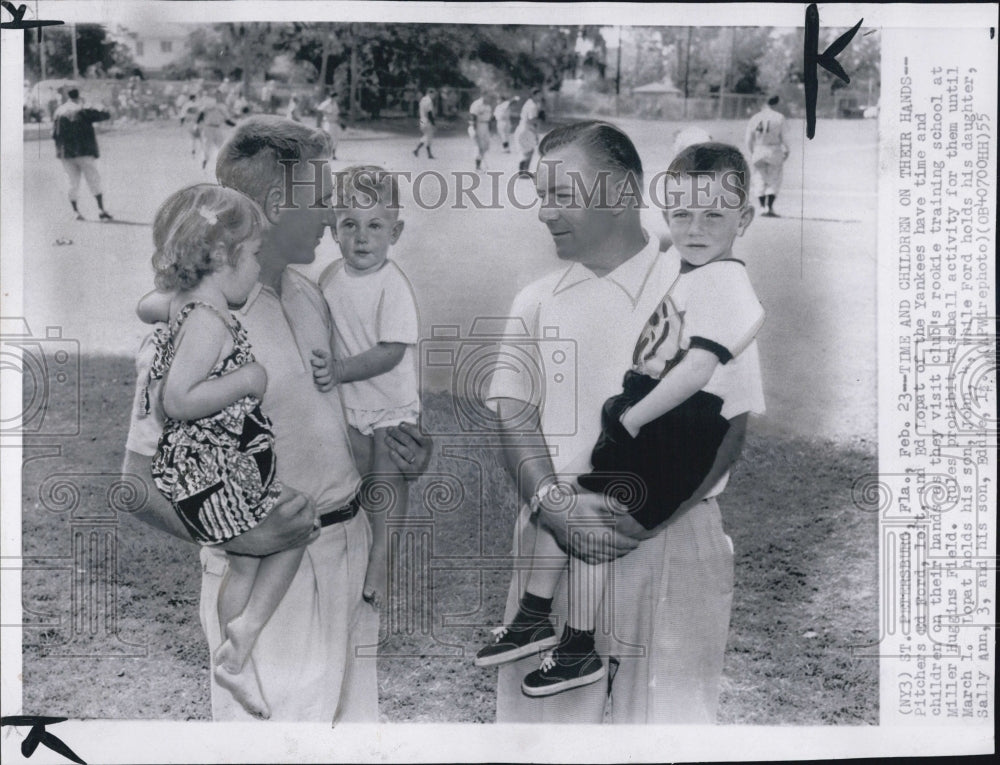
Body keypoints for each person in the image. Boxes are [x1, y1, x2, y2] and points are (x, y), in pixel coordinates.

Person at [122, 115, 431, 721]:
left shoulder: (311, 292)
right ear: (268, 206)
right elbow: (135, 485)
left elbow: (328, 432)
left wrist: (394, 459)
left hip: (348, 553)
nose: (329, 216)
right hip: (268, 574)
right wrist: (237, 535)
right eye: (319, 200)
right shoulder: (193, 323)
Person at [484, 121, 756, 723]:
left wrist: (653, 518)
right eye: (540, 194)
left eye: (563, 193)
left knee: (668, 738)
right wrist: (555, 508)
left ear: (626, 190)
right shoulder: (536, 298)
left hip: (669, 537)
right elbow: (513, 416)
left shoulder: (702, 278)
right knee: (538, 744)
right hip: (559, 537)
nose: (544, 211)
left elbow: (732, 425)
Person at [134, 184, 309, 720]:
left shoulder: (186, 304)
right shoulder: (210, 321)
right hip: (211, 469)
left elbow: (147, 305)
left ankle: (235, 658)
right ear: (219, 257)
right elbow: (179, 400)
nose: (258, 268)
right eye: (253, 255)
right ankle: (245, 635)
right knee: (298, 525)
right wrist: (248, 379)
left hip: (205, 465)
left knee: (244, 563)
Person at [310, 165, 420, 608]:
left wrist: (338, 370)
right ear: (334, 230)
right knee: (355, 481)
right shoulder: (330, 277)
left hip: (390, 404)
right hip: (349, 404)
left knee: (387, 478)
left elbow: (390, 351)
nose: (361, 237)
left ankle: (381, 558)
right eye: (349, 225)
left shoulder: (392, 285)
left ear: (396, 231)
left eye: (375, 226)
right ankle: (349, 552)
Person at [52, 87, 113, 221]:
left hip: (66, 153)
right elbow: (105, 115)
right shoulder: (82, 109)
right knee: (93, 180)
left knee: (72, 182)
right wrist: (98, 104)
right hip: (84, 151)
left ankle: (75, 211)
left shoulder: (59, 111)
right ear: (78, 96)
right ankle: (101, 210)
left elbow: (54, 134)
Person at [745, 95, 789, 217]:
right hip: (773, 149)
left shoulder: (755, 117)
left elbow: (748, 139)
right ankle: (769, 207)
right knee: (774, 179)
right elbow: (784, 138)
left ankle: (762, 207)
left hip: (759, 148)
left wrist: (752, 152)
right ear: (777, 104)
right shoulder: (779, 117)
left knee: (759, 178)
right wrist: (787, 150)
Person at [198, 90, 236, 171]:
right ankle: (204, 164)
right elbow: (201, 114)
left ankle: (224, 165)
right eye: (217, 95)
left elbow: (227, 120)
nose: (219, 96)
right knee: (207, 147)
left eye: (220, 95)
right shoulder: (209, 104)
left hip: (217, 128)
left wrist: (235, 125)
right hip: (208, 128)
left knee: (222, 146)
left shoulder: (221, 106)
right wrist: (198, 124)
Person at [513, 88, 542, 178]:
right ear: (533, 95)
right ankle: (523, 171)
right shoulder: (532, 105)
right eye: (538, 95)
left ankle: (524, 171)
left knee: (526, 150)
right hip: (527, 129)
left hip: (523, 128)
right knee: (528, 150)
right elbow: (532, 120)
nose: (540, 97)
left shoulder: (529, 103)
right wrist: (536, 131)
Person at [468, 91, 493, 171]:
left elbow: (489, 119)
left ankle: (480, 163)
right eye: (487, 95)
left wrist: (489, 130)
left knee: (486, 146)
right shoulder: (476, 104)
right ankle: (477, 165)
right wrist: (474, 129)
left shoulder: (488, 106)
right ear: (483, 95)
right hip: (478, 125)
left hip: (485, 126)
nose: (488, 97)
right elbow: (472, 117)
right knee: (478, 146)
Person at [317, 90, 344, 160]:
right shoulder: (326, 103)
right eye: (335, 97)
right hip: (328, 123)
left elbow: (337, 114)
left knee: (335, 139)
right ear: (333, 97)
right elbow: (319, 108)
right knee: (328, 138)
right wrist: (326, 112)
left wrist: (340, 123)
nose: (336, 99)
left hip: (334, 122)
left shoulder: (335, 103)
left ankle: (333, 155)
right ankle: (325, 154)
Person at [413, 87, 436, 159]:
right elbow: (429, 113)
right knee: (429, 137)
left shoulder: (423, 99)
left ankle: (419, 151)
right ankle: (426, 153)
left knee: (426, 136)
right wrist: (433, 123)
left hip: (422, 120)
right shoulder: (429, 101)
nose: (434, 96)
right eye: (434, 94)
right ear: (430, 93)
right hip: (427, 120)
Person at [180, 93, 204, 159]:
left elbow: (182, 114)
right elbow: (202, 113)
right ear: (194, 98)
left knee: (193, 139)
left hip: (191, 122)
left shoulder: (186, 105)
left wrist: (182, 123)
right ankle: (201, 152)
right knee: (200, 138)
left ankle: (193, 153)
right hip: (196, 122)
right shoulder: (198, 104)